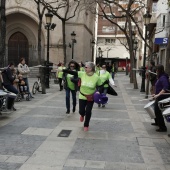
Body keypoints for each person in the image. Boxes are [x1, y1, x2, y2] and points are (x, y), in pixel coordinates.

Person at [63, 62, 102, 131]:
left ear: (91, 68)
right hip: (82, 95)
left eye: (86, 67)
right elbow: (72, 72)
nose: (85, 68)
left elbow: (100, 85)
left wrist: (99, 91)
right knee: (81, 111)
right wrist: (63, 70)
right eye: (85, 67)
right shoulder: (82, 74)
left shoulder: (96, 77)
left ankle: (86, 125)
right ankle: (82, 115)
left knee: (88, 111)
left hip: (90, 97)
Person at [152, 64, 170, 132]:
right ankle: (158, 123)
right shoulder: (161, 76)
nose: (156, 71)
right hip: (159, 96)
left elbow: (165, 87)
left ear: (159, 70)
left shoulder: (163, 78)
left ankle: (162, 127)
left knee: (158, 111)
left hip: (162, 97)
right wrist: (155, 94)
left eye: (156, 70)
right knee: (156, 110)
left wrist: (158, 95)